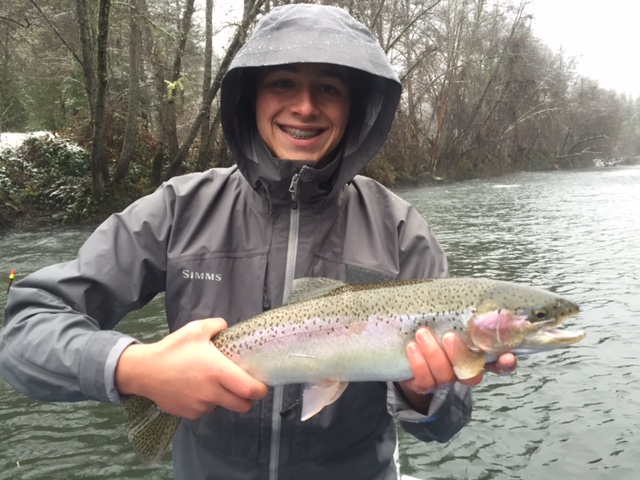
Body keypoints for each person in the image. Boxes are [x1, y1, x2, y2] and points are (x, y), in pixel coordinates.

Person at [0, 4, 516, 480]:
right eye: (284, 83)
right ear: (250, 98)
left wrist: (422, 392)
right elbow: (25, 330)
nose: (306, 107)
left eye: (330, 89)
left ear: (356, 108)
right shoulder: (178, 208)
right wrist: (136, 368)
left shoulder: (401, 230)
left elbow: (445, 425)